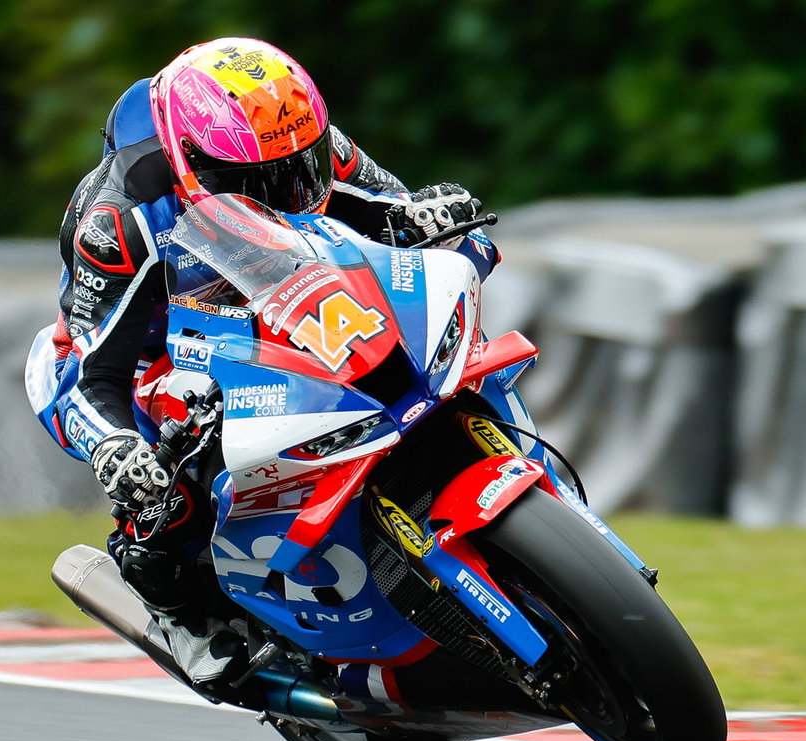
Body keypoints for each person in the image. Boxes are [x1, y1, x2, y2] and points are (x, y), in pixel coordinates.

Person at [25, 37, 497, 683]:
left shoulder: (302, 140)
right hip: (146, 353)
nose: (286, 192)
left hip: (285, 293)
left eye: (297, 170)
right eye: (257, 183)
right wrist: (113, 448)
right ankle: (179, 613)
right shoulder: (121, 218)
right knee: (167, 463)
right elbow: (90, 373)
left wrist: (433, 218)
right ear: (193, 161)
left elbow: (396, 214)